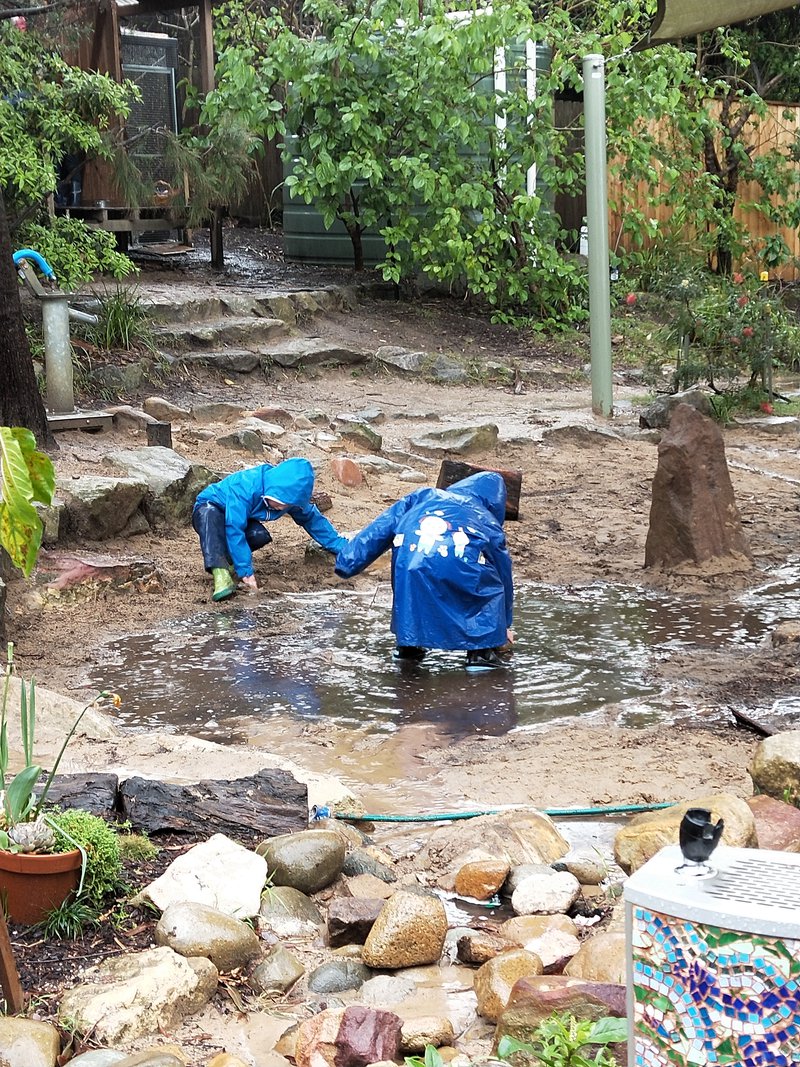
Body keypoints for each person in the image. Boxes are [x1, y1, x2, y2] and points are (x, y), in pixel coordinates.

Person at [335, 471, 515, 671]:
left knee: (410, 583)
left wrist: (348, 560)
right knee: (490, 588)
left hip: (412, 565)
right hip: (460, 564)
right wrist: (504, 624)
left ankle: (408, 648)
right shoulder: (485, 517)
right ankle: (481, 654)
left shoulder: (421, 496)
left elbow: (379, 529)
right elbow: (503, 571)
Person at [193, 457, 345, 601]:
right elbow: (234, 528)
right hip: (212, 507)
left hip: (240, 517)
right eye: (279, 501)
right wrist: (246, 572)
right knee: (210, 518)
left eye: (287, 505)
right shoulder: (246, 487)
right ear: (272, 488)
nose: (281, 507)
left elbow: (312, 519)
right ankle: (220, 573)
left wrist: (339, 544)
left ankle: (230, 562)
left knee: (259, 534)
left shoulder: (290, 498)